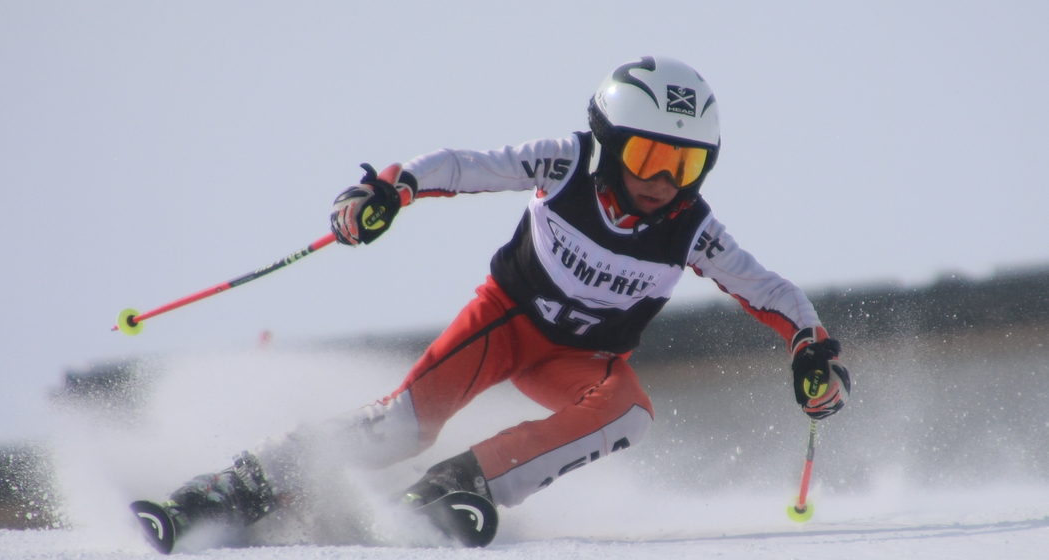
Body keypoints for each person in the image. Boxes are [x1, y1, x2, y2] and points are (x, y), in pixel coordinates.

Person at [141, 55, 851, 547]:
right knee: (401, 428)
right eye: (647, 158)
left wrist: (810, 350)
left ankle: (459, 486)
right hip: (503, 325)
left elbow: (771, 291)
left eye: (685, 164)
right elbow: (464, 165)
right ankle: (238, 486)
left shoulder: (691, 228)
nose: (663, 181)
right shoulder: (566, 162)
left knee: (628, 411)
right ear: (608, 143)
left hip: (578, 360)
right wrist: (389, 189)